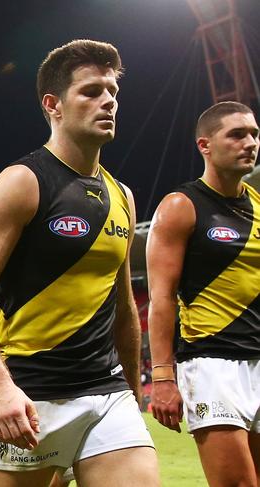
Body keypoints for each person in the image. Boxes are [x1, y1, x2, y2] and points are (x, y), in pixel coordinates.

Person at [0, 39, 159, 487]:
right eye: (91, 91)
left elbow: (123, 305)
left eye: (112, 92)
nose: (108, 101)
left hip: (108, 394)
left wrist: (133, 396)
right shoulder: (22, 182)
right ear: (53, 105)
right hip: (31, 397)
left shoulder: (123, 197)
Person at [147, 101, 260, 486]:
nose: (250, 142)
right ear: (205, 145)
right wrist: (163, 376)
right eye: (237, 134)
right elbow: (161, 297)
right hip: (213, 364)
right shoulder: (182, 206)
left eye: (255, 134)